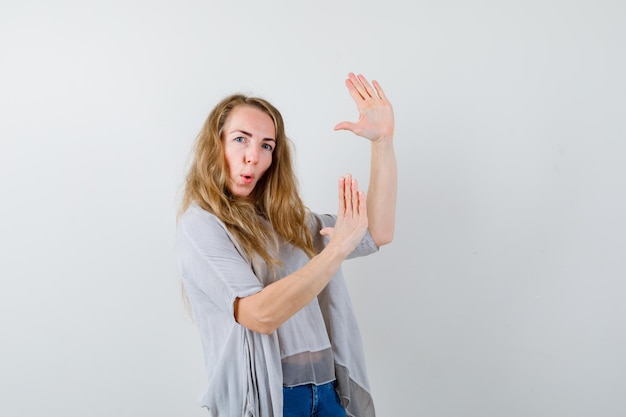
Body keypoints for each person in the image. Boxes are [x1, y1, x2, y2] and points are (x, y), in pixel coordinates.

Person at [175, 73, 397, 417]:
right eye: (240, 139)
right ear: (215, 144)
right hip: (275, 399)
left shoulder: (288, 221)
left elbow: (377, 232)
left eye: (266, 145)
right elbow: (260, 314)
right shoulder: (201, 227)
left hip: (327, 392)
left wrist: (382, 142)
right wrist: (336, 249)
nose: (254, 156)